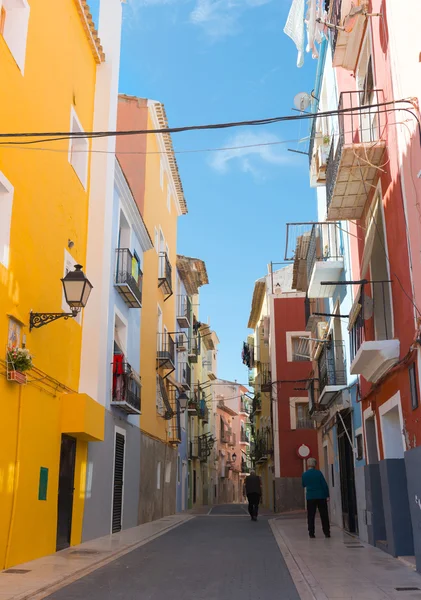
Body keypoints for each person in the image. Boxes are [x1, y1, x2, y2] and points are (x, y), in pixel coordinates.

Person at [302, 457, 330, 539]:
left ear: (308, 465)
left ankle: (311, 533)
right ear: (315, 464)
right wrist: (327, 495)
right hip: (321, 496)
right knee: (324, 515)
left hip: (310, 497)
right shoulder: (319, 473)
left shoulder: (304, 474)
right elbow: (324, 485)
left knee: (311, 515)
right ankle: (326, 532)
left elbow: (303, 484)